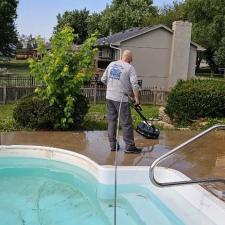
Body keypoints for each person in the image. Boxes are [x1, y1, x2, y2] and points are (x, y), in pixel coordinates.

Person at [101, 50, 142, 153]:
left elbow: (103, 79)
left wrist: (112, 87)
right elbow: (135, 85)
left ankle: (113, 145)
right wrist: (137, 100)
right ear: (128, 58)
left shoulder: (111, 64)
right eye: (131, 59)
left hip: (109, 96)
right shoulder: (130, 68)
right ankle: (129, 147)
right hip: (121, 99)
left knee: (111, 121)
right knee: (126, 123)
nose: (132, 61)